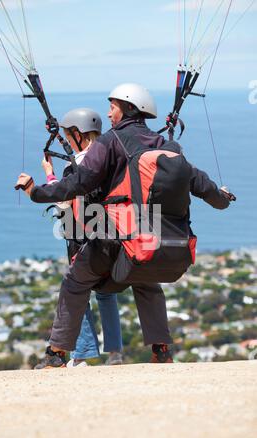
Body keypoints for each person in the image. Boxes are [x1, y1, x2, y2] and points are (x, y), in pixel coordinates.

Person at [16, 82, 233, 368]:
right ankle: (161, 351)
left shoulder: (110, 141)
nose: (108, 114)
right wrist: (224, 197)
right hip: (150, 236)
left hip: (112, 235)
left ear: (129, 108)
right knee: (146, 281)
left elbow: (79, 182)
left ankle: (56, 353)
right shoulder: (166, 146)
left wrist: (37, 192)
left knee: (76, 281)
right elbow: (203, 186)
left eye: (113, 106)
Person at [41, 108, 123, 367]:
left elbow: (64, 203)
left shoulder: (74, 166)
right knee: (107, 293)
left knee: (79, 292)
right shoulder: (111, 159)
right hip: (112, 233)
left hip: (80, 237)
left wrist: (50, 174)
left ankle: (84, 353)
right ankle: (115, 353)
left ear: (78, 134)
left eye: (68, 134)